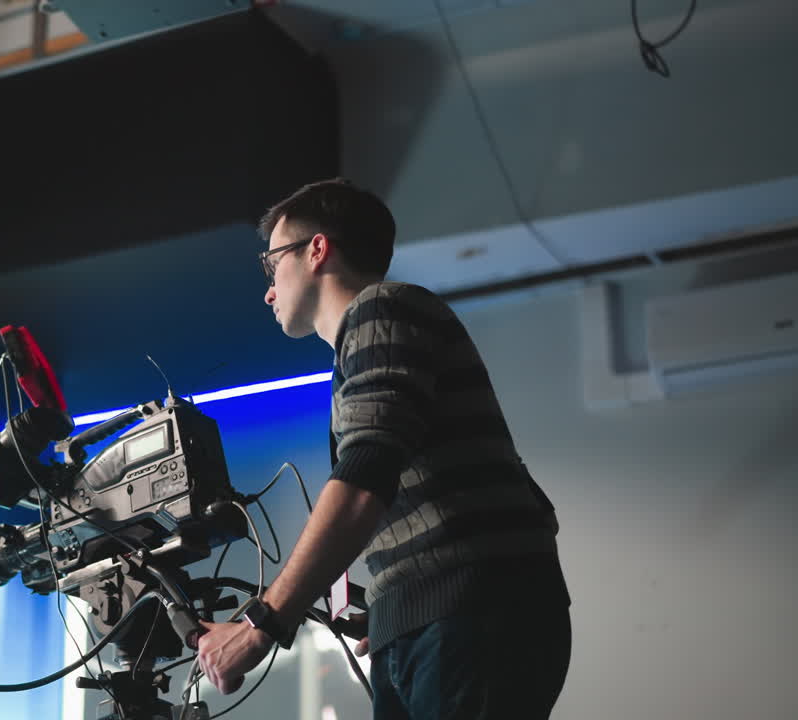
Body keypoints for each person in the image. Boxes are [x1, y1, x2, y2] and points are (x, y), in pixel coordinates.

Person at [196, 178, 571, 719]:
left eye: (271, 264)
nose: (268, 291)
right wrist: (393, 605)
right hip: (436, 620)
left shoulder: (382, 310)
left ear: (317, 249)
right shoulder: (371, 333)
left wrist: (260, 623)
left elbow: (366, 477)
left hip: (467, 615)